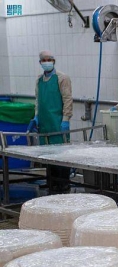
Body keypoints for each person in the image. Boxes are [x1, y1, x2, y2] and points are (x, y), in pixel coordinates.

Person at [29, 50, 73, 193]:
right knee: (49, 158)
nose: (47, 62)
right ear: (40, 62)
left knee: (62, 157)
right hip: (44, 125)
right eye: (44, 60)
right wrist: (36, 117)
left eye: (49, 59)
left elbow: (67, 100)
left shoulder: (62, 78)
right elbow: (38, 101)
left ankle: (64, 186)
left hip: (58, 124)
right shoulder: (39, 80)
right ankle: (52, 186)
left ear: (54, 61)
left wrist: (65, 119)